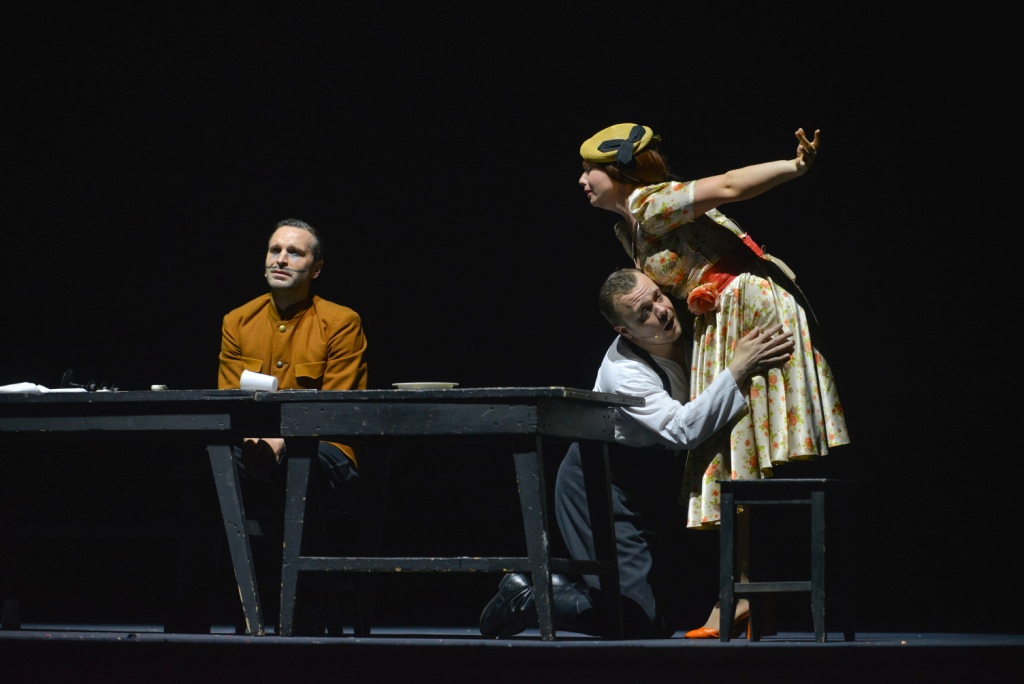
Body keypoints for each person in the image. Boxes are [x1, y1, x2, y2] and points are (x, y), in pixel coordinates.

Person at [577, 123, 850, 638]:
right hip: (720, 318)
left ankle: (741, 597)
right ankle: (743, 596)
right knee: (731, 455)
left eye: (590, 169)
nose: (582, 179)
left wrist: (794, 167)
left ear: (617, 172)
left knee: (734, 454)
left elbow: (726, 185)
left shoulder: (649, 203)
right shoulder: (626, 229)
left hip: (745, 307)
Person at [479, 268, 795, 638]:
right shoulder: (626, 373)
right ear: (625, 331)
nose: (661, 310)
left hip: (648, 479)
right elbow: (682, 429)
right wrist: (738, 368)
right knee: (637, 620)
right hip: (598, 483)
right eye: (644, 312)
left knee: (669, 614)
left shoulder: (689, 329)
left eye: (658, 296)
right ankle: (526, 597)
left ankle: (562, 593)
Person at [217, 218, 368, 633]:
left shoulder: (340, 321)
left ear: (315, 269)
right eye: (275, 250)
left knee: (299, 465)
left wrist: (281, 442)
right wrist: (257, 443)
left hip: (326, 448)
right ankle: (204, 608)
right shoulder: (238, 321)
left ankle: (307, 609)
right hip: (253, 446)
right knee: (208, 467)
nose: (281, 259)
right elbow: (230, 399)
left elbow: (336, 405)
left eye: (294, 252)